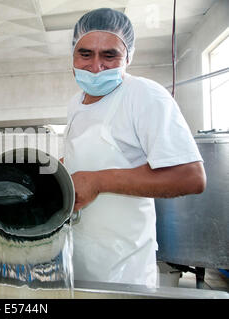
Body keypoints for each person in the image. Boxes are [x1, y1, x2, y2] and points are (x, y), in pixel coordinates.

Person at [63, 8, 206, 287]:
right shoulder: (75, 104)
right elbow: (86, 160)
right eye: (85, 54)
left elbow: (190, 176)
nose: (95, 67)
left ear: (128, 57)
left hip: (123, 268)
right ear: (73, 55)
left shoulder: (143, 95)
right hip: (79, 258)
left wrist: (98, 181)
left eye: (109, 55)